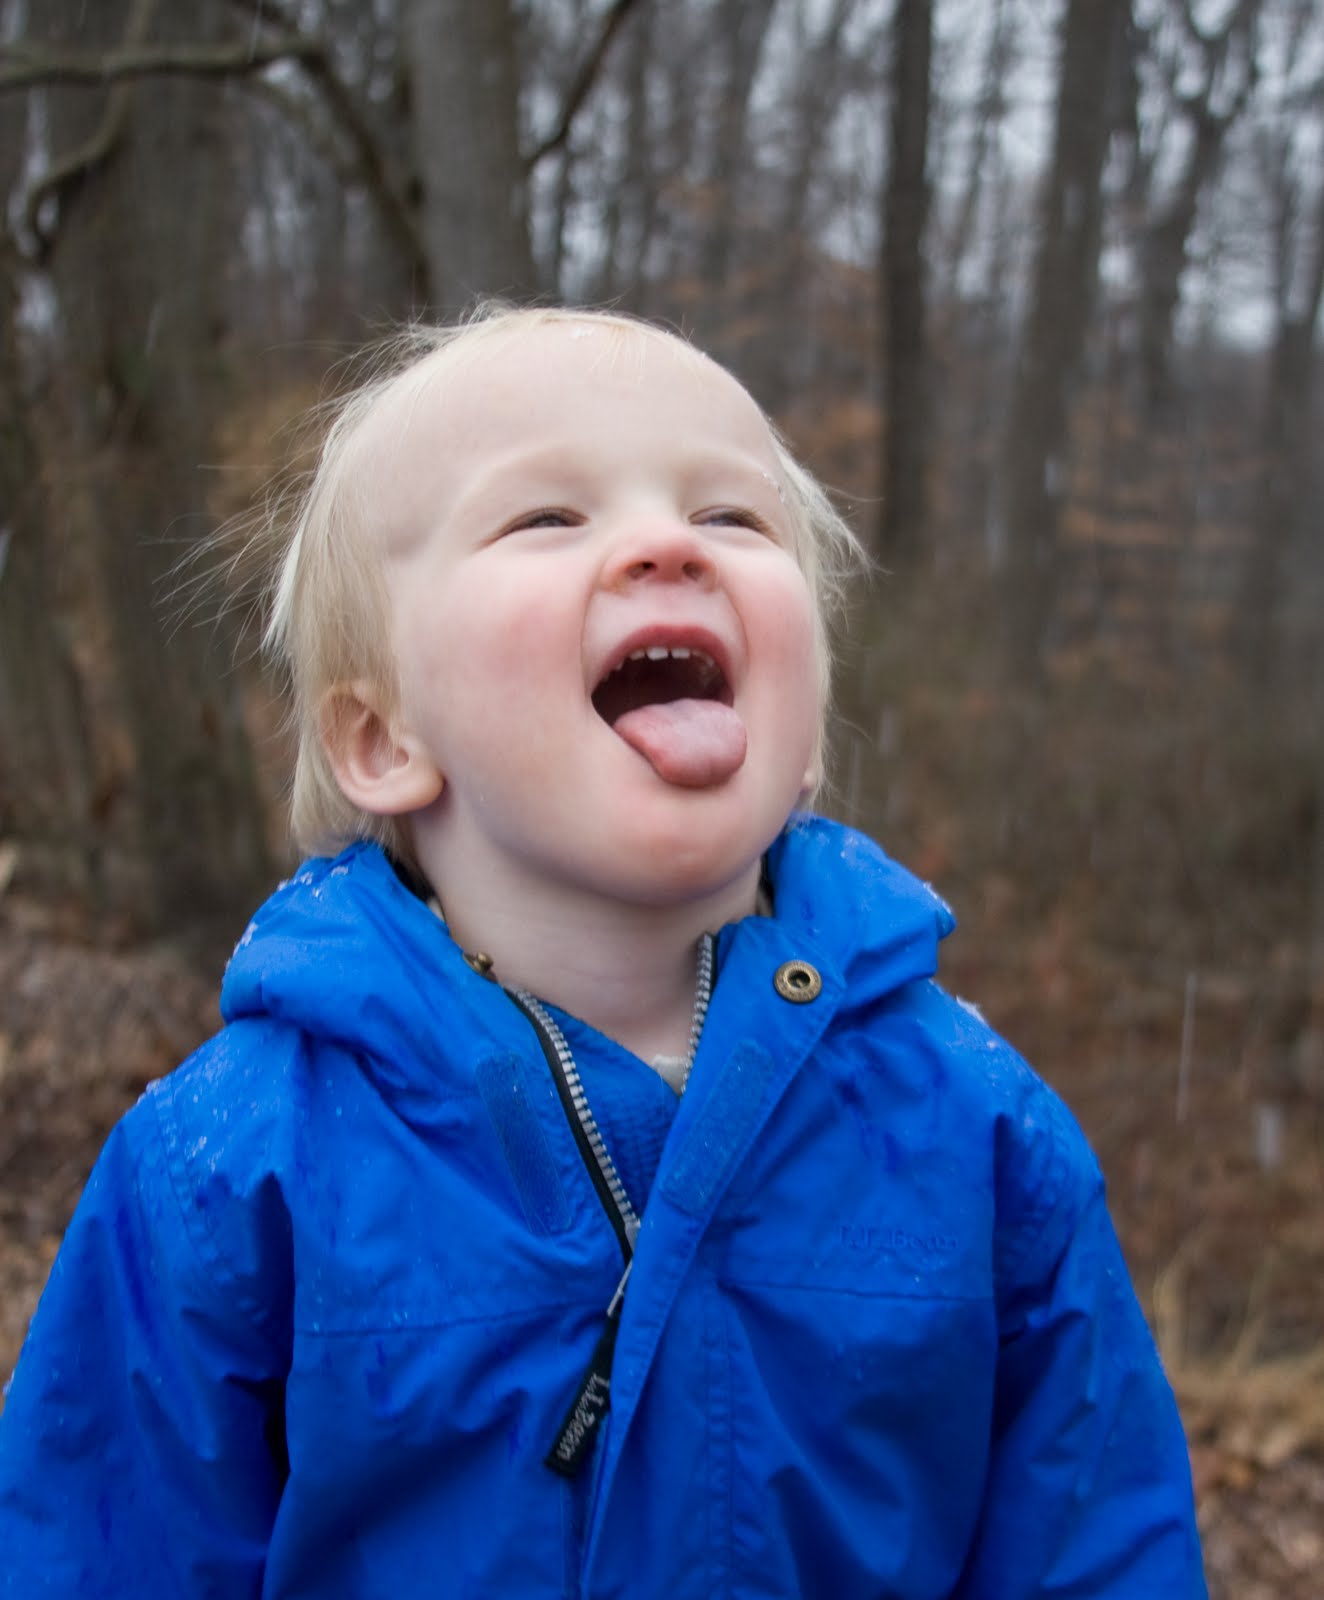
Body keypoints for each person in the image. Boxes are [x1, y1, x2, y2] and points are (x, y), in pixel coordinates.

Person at [0, 304, 1207, 1598]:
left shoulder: (976, 1131)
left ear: (804, 734)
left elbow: (1097, 1552)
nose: (667, 543)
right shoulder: (230, 1168)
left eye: (731, 516)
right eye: (547, 517)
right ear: (383, 739)